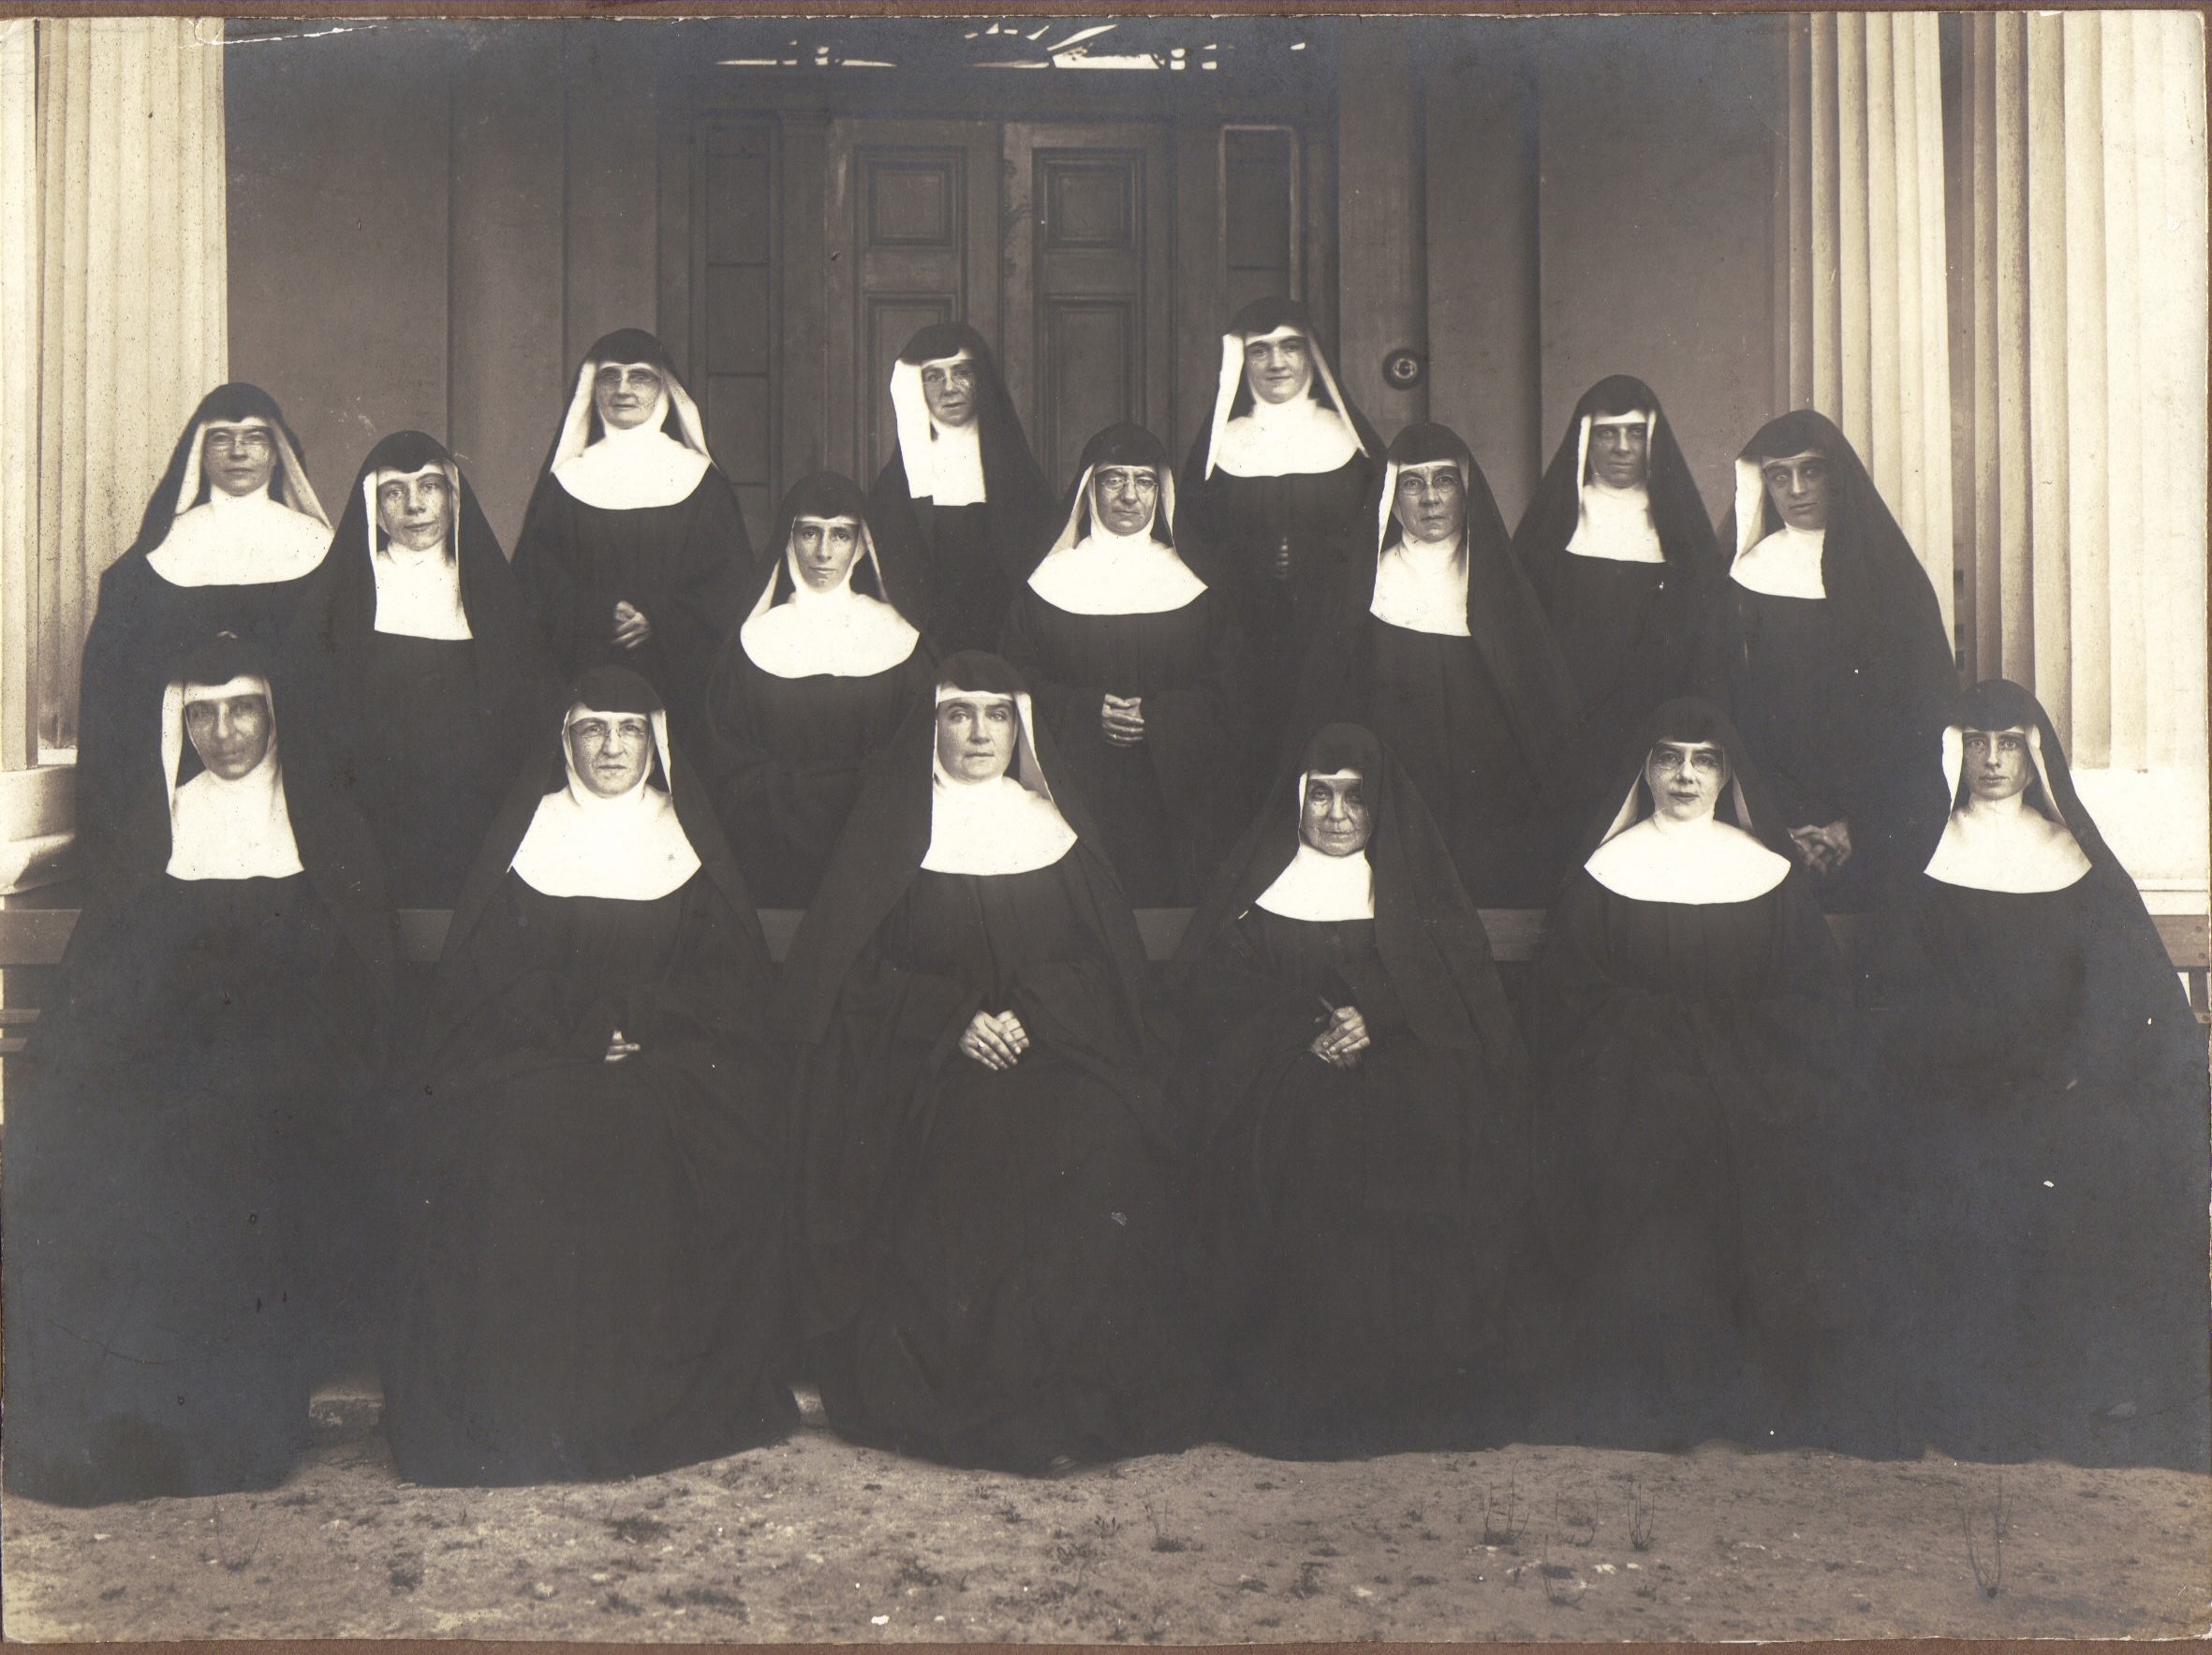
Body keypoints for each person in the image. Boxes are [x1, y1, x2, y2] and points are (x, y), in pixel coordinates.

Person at [779, 653, 1204, 1472]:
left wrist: (1036, 1014)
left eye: (997, 715)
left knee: (1101, 1138)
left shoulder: (1056, 833)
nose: (979, 732)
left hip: (1059, 1055)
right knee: (975, 1149)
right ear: (932, 727)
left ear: (1021, 730)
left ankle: (1073, 1399)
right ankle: (979, 1402)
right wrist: (952, 1021)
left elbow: (1107, 972)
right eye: (960, 714)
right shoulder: (894, 833)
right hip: (929, 1068)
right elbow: (854, 974)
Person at [383, 667, 795, 1486]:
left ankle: (632, 1403)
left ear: (655, 742)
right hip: (536, 1062)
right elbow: (484, 988)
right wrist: (575, 1027)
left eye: (629, 730)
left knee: (659, 1133)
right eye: (591, 730)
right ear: (564, 742)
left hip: (667, 1068)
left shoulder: (688, 840)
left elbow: (728, 992)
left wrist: (643, 1023)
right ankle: (524, 1408)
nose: (611, 747)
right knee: (510, 1133)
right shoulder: (528, 836)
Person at [2, 636, 391, 1504]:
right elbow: (114, 980)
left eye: (242, 708)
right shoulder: (164, 825)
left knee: (224, 1150)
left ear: (274, 715)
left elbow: (356, 990)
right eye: (202, 714)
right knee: (98, 1145)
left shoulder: (323, 828)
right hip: (176, 1068)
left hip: (295, 1076)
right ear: (180, 724)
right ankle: (117, 1423)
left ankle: (216, 1428)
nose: (224, 733)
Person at [1857, 679, 2210, 1470]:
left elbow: (2124, 989)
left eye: (2010, 744)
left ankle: (2072, 1393)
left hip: (2055, 1086)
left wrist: (2085, 1063)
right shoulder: (1926, 857)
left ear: (2035, 756)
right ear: (1956, 753)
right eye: (1978, 743)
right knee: (1948, 1158)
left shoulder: (2073, 859)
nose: (1992, 760)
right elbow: (1894, 993)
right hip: (1948, 1085)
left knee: (2099, 1151)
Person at [1171, 723, 1538, 1456]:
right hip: (1285, 1074)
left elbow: (1457, 989)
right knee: (1311, 1140)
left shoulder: (1413, 889)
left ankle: (1403, 1391)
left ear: (1381, 807)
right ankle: (1308, 1396)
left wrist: (1377, 1012)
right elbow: (1215, 992)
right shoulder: (1259, 893)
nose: (1338, 815)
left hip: (1403, 1068)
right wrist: (1305, 1026)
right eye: (1322, 795)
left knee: (1421, 1131)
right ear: (1296, 801)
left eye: (1356, 798)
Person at [1525, 697, 1861, 1452]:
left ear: (1726, 774)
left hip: (1752, 1086)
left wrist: (1717, 1048)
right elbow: (1567, 998)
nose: (1685, 775)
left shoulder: (1768, 874)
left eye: (1704, 760)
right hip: (1628, 1086)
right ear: (1644, 771)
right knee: (1653, 1138)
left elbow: (1813, 1002)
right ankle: (1647, 1397)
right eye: (1669, 758)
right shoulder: (1605, 872)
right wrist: (1672, 1041)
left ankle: (1744, 1398)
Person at [1294, 422, 1580, 907]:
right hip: (1398, 781)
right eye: (1413, 483)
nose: (1430, 498)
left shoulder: (1501, 586)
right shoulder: (1367, 585)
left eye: (1444, 480)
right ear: (1392, 498)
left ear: (1466, 493)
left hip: (1488, 792)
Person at [280, 431, 551, 909]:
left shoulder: (494, 598)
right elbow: (311, 727)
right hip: (370, 828)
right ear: (375, 510)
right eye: (394, 492)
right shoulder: (340, 602)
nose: (414, 505)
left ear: (453, 497)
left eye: (429, 486)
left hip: (472, 822)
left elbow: (524, 723)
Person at [1703, 410, 1955, 909]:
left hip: (1875, 811)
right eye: (1779, 475)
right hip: (1771, 810)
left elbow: (1923, 713)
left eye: (1811, 470)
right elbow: (1727, 708)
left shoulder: (1890, 577)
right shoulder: (1743, 579)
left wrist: (1856, 825)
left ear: (1837, 475)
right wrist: (1775, 822)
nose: (1796, 489)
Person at [76, 384, 332, 861]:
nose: (238, 451)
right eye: (221, 437)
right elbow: (116, 679)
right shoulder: (156, 555)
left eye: (254, 436)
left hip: (297, 773)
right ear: (198, 449)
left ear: (277, 452)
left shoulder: (320, 548)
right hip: (188, 772)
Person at [999, 423, 1246, 905]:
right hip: (1077, 784)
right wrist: (1087, 710)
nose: (1130, 496)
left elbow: (1230, 689)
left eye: (1144, 481)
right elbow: (1016, 679)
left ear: (1160, 490)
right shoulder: (1046, 582)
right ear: (1089, 489)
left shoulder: (1198, 584)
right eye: (1114, 479)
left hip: (1175, 792)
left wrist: (1158, 716)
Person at [700, 472, 936, 907]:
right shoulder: (754, 641)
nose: (824, 552)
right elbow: (729, 764)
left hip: (872, 845)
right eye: (810, 532)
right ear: (789, 540)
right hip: (774, 853)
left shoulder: (900, 640)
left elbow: (917, 758)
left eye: (840, 535)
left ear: (861, 544)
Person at [512, 329, 754, 738]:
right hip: (585, 674)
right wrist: (598, 614)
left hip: (681, 687)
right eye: (610, 377)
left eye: (639, 376)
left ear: (664, 388)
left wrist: (658, 618)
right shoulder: (567, 482)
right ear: (593, 387)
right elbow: (534, 586)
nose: (622, 389)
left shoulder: (702, 482)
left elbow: (729, 589)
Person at [1175, 299, 1381, 769]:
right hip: (1243, 640)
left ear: (1312, 354)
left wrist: (1315, 557)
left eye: (1290, 346)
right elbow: (1194, 543)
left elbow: (1376, 538)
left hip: (1333, 636)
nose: (1276, 363)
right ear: (1241, 360)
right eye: (1260, 350)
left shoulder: (1350, 445)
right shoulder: (1221, 447)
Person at [1512, 376, 1720, 785]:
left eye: (1636, 433)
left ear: (1653, 442)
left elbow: (1705, 648)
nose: (1622, 447)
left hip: (1655, 726)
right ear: (1586, 441)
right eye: (1607, 433)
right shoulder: (1550, 530)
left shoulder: (1682, 533)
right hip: (1565, 727)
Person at [865, 323, 1054, 658]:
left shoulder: (1020, 478)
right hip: (926, 652)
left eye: (962, 372)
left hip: (1008, 647)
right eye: (934, 376)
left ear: (982, 380)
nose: (949, 389)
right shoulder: (894, 487)